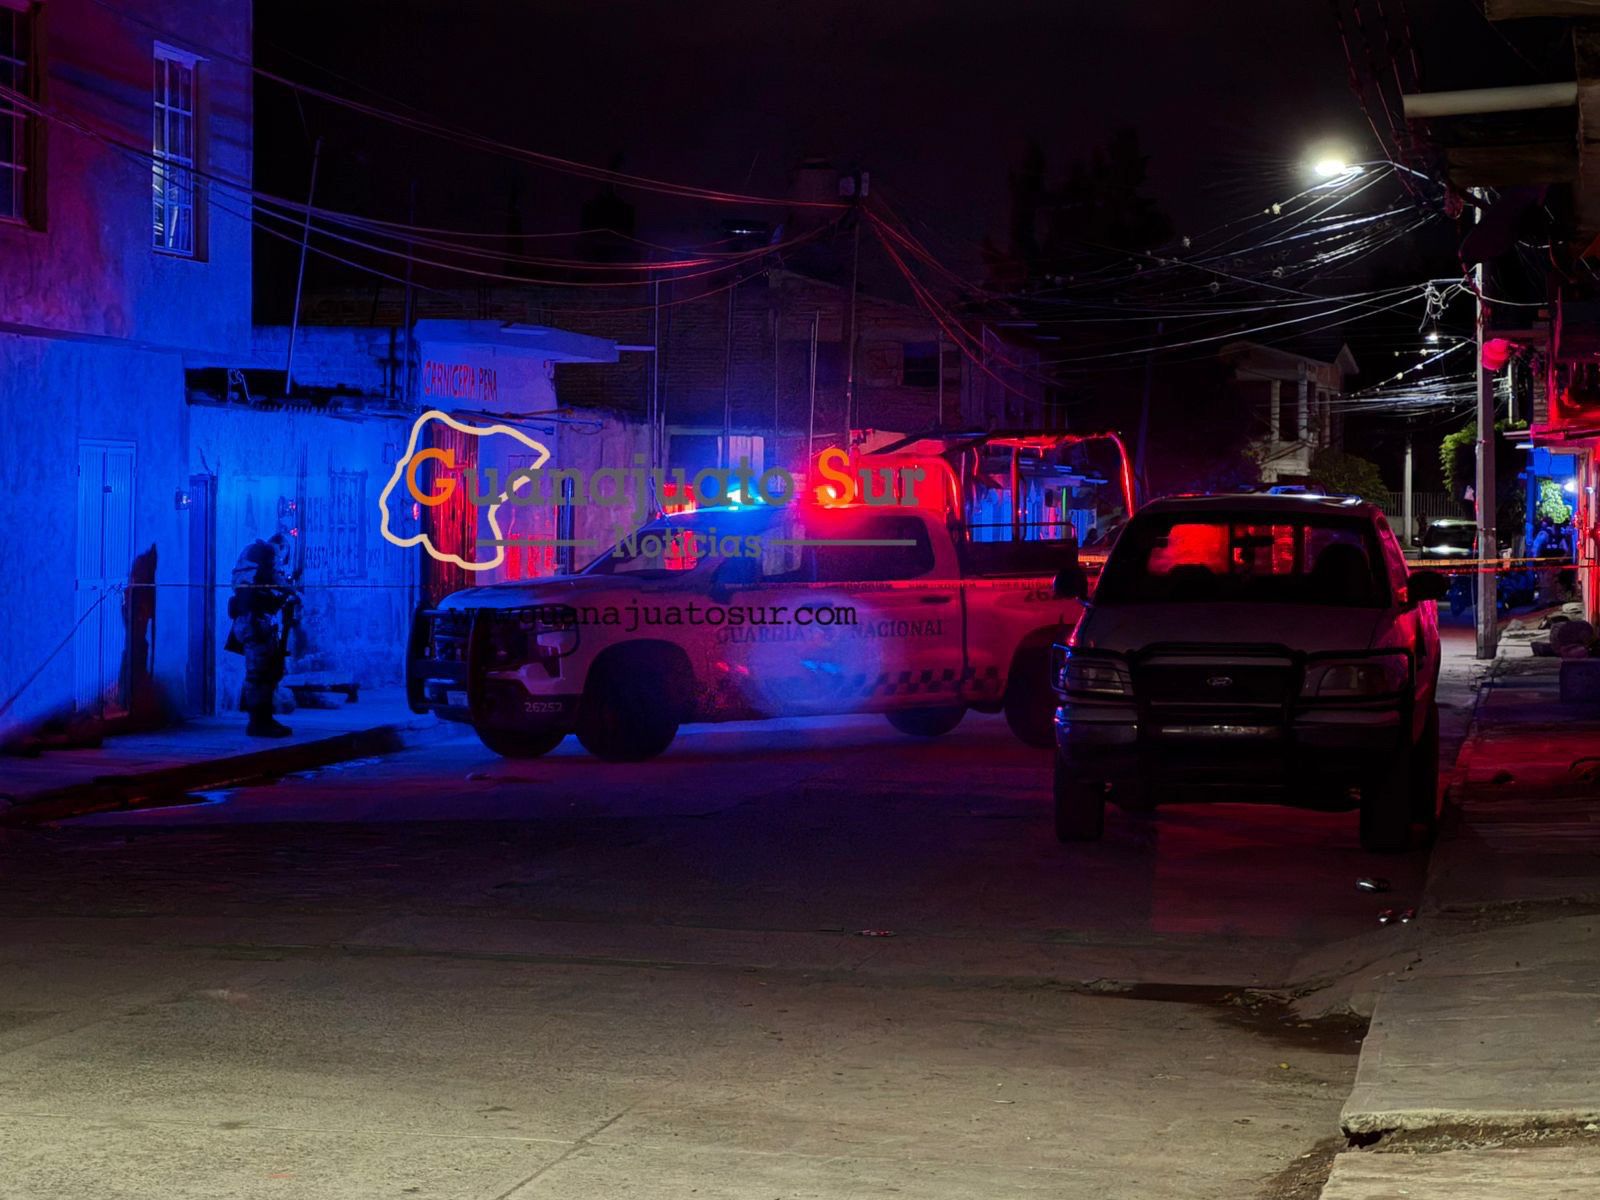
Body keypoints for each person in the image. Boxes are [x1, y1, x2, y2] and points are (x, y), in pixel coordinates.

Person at [226, 534, 298, 737]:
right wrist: (292, 592)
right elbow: (278, 583)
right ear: (282, 547)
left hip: (249, 620)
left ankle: (263, 719)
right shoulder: (268, 553)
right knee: (261, 673)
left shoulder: (251, 555)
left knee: (265, 671)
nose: (282, 561)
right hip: (255, 621)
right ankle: (259, 722)